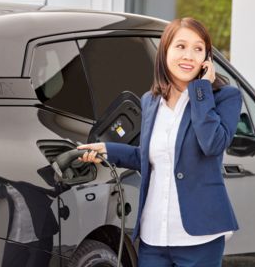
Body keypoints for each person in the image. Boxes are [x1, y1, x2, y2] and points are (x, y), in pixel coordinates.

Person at [77, 17, 242, 267]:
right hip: (154, 235)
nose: (189, 55)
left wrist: (201, 91)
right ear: (164, 51)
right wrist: (107, 150)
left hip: (200, 237)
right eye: (181, 46)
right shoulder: (150, 101)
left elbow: (213, 144)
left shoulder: (224, 97)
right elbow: (150, 157)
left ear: (207, 60)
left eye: (198, 49)